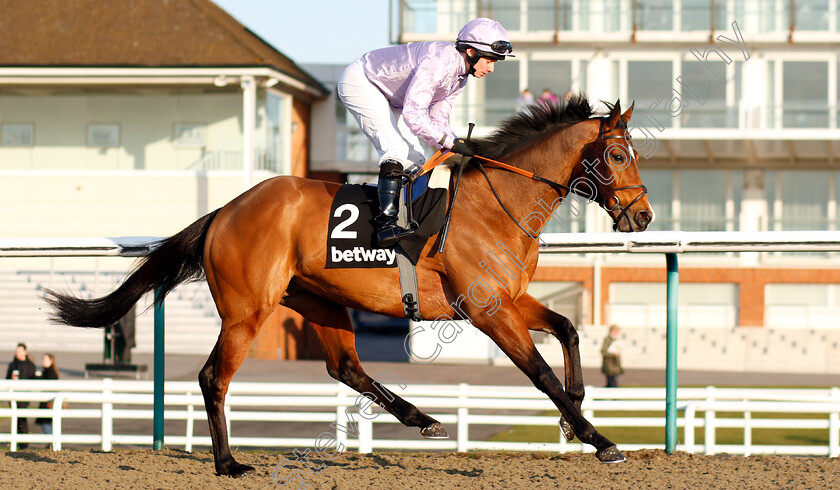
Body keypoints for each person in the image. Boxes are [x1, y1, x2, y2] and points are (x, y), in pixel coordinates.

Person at [338, 17, 515, 247]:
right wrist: (450, 142)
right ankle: (385, 224)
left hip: (391, 98)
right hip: (363, 81)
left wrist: (456, 144)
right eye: (490, 60)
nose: (491, 68)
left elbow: (438, 119)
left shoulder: (460, 77)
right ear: (471, 51)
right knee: (396, 149)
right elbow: (414, 115)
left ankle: (406, 219)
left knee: (417, 160)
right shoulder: (440, 60)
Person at [6, 343, 37, 445]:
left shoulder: (30, 365)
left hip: (24, 395)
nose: (18, 353)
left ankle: (24, 442)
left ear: (25, 352)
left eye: (20, 351)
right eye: (17, 351)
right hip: (14, 394)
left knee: (22, 418)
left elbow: (33, 379)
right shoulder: (12, 364)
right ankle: (16, 441)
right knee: (15, 418)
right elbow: (6, 379)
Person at [35, 353, 61, 436]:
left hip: (48, 401)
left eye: (46, 359)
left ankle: (52, 441)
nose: (43, 361)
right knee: (47, 422)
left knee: (45, 421)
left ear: (51, 361)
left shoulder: (50, 372)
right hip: (47, 400)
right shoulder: (48, 371)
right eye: (43, 359)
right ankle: (52, 441)